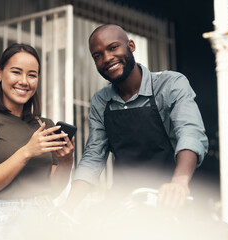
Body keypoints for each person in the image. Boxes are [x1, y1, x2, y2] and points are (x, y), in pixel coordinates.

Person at [64, 24, 209, 212]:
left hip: (172, 197)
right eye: (97, 56)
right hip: (125, 203)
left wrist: (179, 183)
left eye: (113, 47)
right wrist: (66, 208)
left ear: (131, 46)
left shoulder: (170, 84)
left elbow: (190, 133)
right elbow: (93, 157)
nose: (107, 58)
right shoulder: (101, 101)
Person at [0, 43, 75, 240]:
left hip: (45, 221)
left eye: (32, 75)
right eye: (16, 72)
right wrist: (27, 151)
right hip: (4, 224)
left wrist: (66, 161)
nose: (24, 81)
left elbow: (53, 190)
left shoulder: (44, 125)